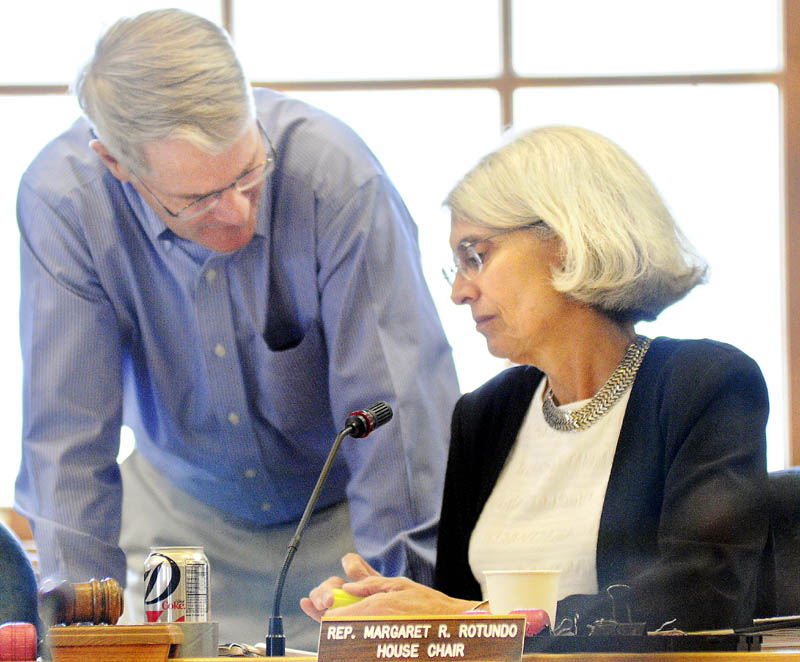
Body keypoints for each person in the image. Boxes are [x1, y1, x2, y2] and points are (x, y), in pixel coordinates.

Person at [14, 8, 460, 649]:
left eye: (249, 173)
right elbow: (65, 443)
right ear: (115, 162)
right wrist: (86, 636)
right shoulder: (64, 200)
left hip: (347, 528)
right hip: (175, 523)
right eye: (196, 199)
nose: (238, 213)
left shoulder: (333, 172)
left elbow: (399, 418)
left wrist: (409, 604)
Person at [301, 125, 771, 632]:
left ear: (566, 243)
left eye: (475, 255)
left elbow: (701, 596)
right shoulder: (485, 414)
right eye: (455, 266)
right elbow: (460, 610)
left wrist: (480, 619)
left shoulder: (705, 386)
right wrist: (389, 608)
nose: (460, 291)